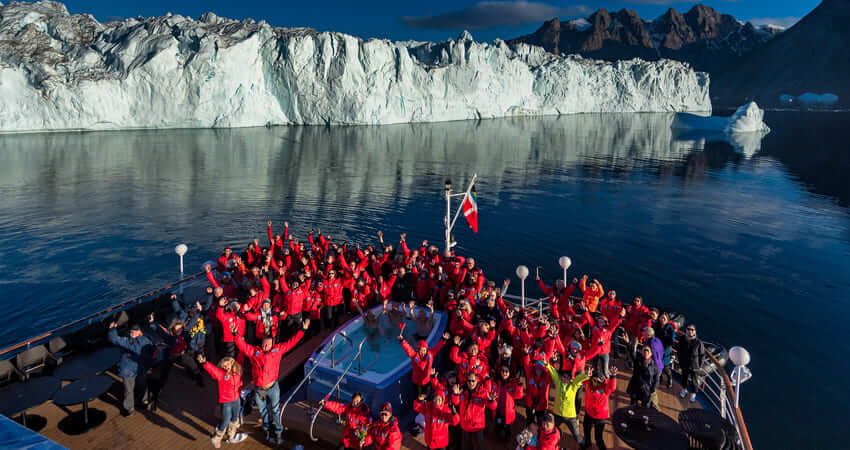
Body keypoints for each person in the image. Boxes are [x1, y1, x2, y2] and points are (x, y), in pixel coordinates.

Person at [232, 318, 309, 445]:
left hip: (273, 386)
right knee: (263, 411)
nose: (265, 346)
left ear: (272, 344)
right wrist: (235, 334)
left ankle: (278, 433)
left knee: (275, 410)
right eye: (264, 344)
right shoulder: (254, 352)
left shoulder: (278, 350)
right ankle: (267, 431)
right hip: (259, 389)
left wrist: (303, 330)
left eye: (267, 344)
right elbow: (242, 346)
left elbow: (292, 342)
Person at [108, 316, 156, 416]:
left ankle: (128, 409)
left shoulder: (129, 343)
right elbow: (153, 333)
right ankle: (144, 401)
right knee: (142, 386)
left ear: (139, 332)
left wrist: (112, 329)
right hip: (141, 368)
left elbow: (115, 340)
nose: (132, 333)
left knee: (129, 390)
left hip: (129, 370)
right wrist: (151, 323)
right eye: (131, 331)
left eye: (133, 331)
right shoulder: (147, 340)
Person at [198, 354, 247, 448]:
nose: (225, 367)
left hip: (236, 399)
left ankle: (231, 436)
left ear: (232, 363)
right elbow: (212, 369)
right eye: (223, 366)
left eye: (227, 364)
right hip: (226, 402)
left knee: (235, 418)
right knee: (225, 420)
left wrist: (240, 341)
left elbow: (241, 356)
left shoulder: (237, 370)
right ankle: (216, 438)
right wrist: (204, 362)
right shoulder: (221, 374)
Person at [545, 362, 589, 446]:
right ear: (561, 378)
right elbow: (554, 373)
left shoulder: (573, 386)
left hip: (570, 417)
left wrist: (586, 375)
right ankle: (555, 439)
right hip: (557, 415)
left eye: (567, 377)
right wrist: (547, 364)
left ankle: (584, 445)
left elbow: (578, 379)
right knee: (552, 430)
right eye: (563, 377)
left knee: (576, 436)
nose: (565, 379)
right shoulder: (558, 384)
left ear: (570, 379)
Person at [451, 373, 497, 450]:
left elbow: (493, 406)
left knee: (479, 447)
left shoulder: (483, 392)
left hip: (477, 427)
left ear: (477, 381)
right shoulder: (462, 391)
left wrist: (492, 401)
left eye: (473, 381)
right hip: (465, 425)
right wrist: (455, 394)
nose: (471, 383)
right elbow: (456, 402)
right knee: (466, 447)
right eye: (469, 381)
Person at [399, 331, 448, 398]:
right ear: (418, 350)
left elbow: (437, 347)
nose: (423, 352)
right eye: (421, 350)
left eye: (424, 350)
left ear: (427, 350)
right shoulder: (414, 355)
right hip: (417, 382)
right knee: (418, 397)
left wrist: (443, 340)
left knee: (426, 396)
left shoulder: (430, 355)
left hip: (427, 381)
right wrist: (402, 340)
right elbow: (408, 349)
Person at [581, 366, 618, 450]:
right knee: (586, 431)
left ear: (602, 381)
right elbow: (581, 379)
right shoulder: (587, 383)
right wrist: (586, 374)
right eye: (594, 380)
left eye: (598, 381)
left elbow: (612, 387)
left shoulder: (605, 388)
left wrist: (613, 377)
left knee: (598, 438)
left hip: (600, 417)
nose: (596, 383)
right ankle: (587, 444)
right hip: (589, 413)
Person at [491, 364, 523, 440]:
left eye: (506, 371)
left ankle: (506, 441)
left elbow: (518, 396)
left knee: (507, 430)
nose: (504, 373)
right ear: (500, 372)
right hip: (498, 411)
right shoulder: (496, 381)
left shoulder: (513, 383)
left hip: (508, 413)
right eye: (503, 371)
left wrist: (519, 387)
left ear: (509, 373)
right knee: (498, 427)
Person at [675, 324, 705, 403]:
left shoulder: (699, 343)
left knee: (694, 381)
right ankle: (684, 390)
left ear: (695, 331)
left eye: (692, 330)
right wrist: (680, 361)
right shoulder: (682, 339)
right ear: (686, 330)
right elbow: (679, 351)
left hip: (695, 366)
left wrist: (700, 366)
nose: (690, 331)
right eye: (688, 329)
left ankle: (693, 394)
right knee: (684, 378)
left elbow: (702, 355)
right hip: (684, 364)